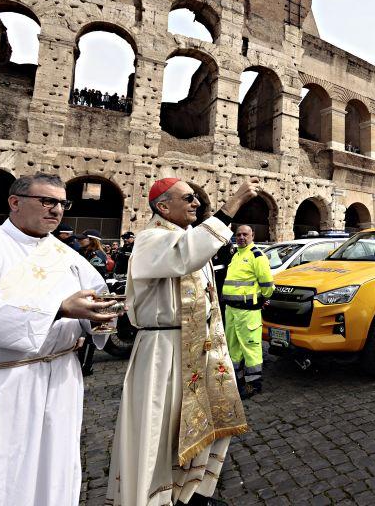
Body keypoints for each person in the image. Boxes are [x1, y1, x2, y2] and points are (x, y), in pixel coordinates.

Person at [0, 172, 122, 506]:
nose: (57, 210)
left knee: (54, 470)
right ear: (15, 203)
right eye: (46, 201)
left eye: (62, 202)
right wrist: (57, 310)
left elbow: (95, 306)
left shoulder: (71, 259)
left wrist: (106, 317)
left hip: (61, 377)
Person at [106, 176, 261, 506]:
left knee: (204, 424)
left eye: (196, 199)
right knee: (160, 432)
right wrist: (231, 205)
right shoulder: (152, 239)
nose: (196, 203)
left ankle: (192, 491)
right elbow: (185, 257)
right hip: (164, 352)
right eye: (188, 198)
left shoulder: (188, 238)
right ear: (163, 206)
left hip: (198, 349)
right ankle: (155, 498)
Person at [221, 225, 275, 397]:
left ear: (253, 235)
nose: (242, 237)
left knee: (251, 348)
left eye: (245, 234)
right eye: (238, 235)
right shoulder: (236, 255)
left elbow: (267, 285)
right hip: (231, 311)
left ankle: (253, 386)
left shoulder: (257, 256)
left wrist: (262, 299)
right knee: (233, 348)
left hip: (248, 312)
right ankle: (237, 381)